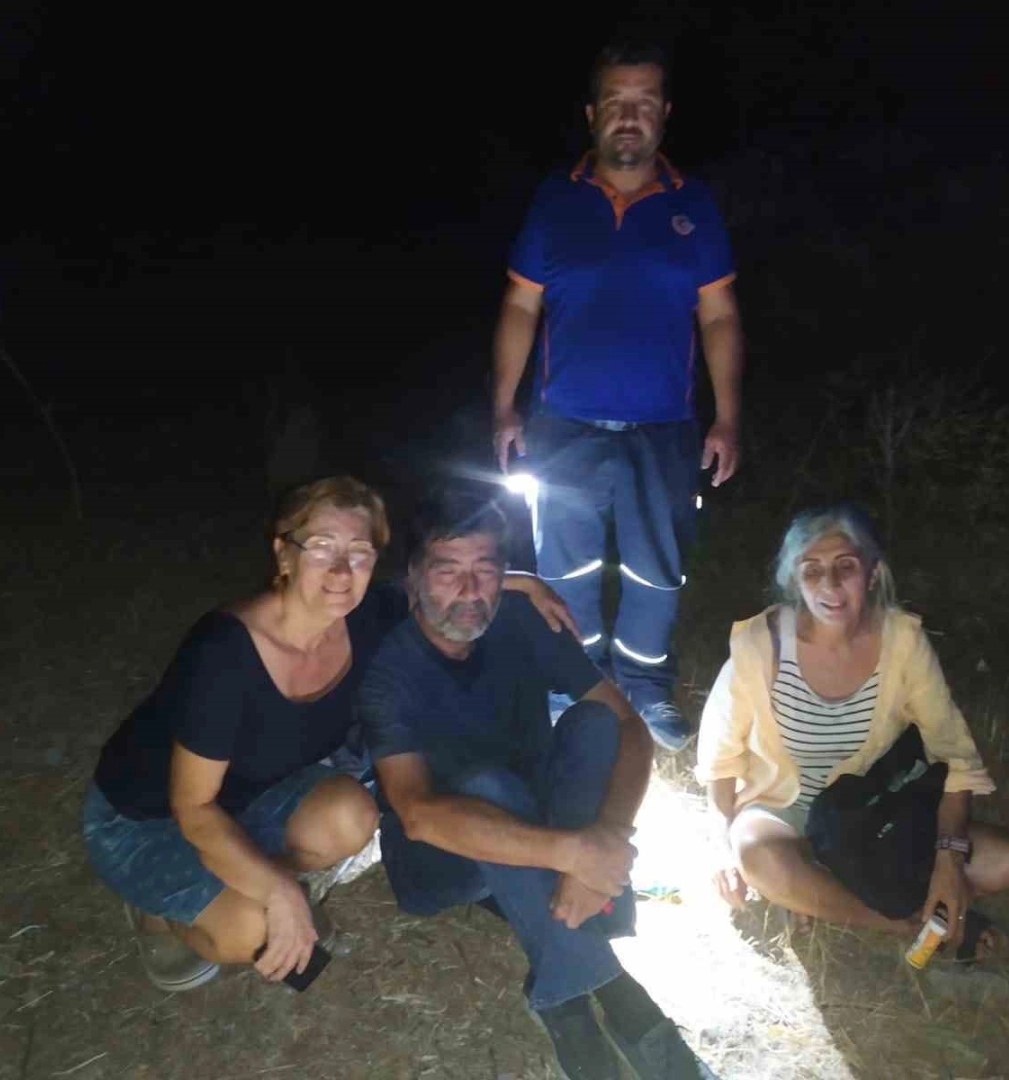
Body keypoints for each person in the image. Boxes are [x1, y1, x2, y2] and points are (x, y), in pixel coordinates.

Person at [81, 476, 575, 993]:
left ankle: (241, 880)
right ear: (283, 553)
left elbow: (435, 582)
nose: (341, 571)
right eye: (321, 547)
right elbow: (195, 809)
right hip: (148, 818)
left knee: (351, 816)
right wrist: (280, 893)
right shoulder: (223, 654)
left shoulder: (363, 619)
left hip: (253, 797)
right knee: (254, 928)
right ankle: (161, 911)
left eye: (359, 552)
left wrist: (522, 582)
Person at [359, 486, 712, 1080]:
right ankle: (614, 1003)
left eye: (486, 569)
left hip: (540, 820)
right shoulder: (388, 668)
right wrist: (569, 853)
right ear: (413, 579)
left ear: (505, 573)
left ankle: (566, 939)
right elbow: (417, 813)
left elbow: (628, 725)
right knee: (487, 787)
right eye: (448, 571)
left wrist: (603, 836)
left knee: (594, 723)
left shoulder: (522, 617)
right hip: (440, 857)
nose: (470, 591)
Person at [491, 42, 745, 750]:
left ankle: (644, 686)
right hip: (562, 422)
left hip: (665, 425)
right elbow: (520, 306)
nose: (629, 116)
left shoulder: (693, 204)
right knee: (563, 565)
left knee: (655, 568)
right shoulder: (555, 199)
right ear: (592, 114)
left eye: (644, 102)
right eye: (615, 102)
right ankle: (573, 683)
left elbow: (719, 316)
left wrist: (727, 415)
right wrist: (504, 406)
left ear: (664, 114)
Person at [695, 503, 1009, 960]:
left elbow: (954, 753)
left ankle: (817, 892)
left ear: (872, 574)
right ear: (795, 580)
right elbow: (720, 760)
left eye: (846, 567)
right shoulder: (762, 645)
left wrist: (948, 858)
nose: (830, 585)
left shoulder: (903, 642)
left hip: (870, 813)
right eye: (812, 570)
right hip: (781, 810)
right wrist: (721, 847)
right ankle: (900, 923)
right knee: (757, 855)